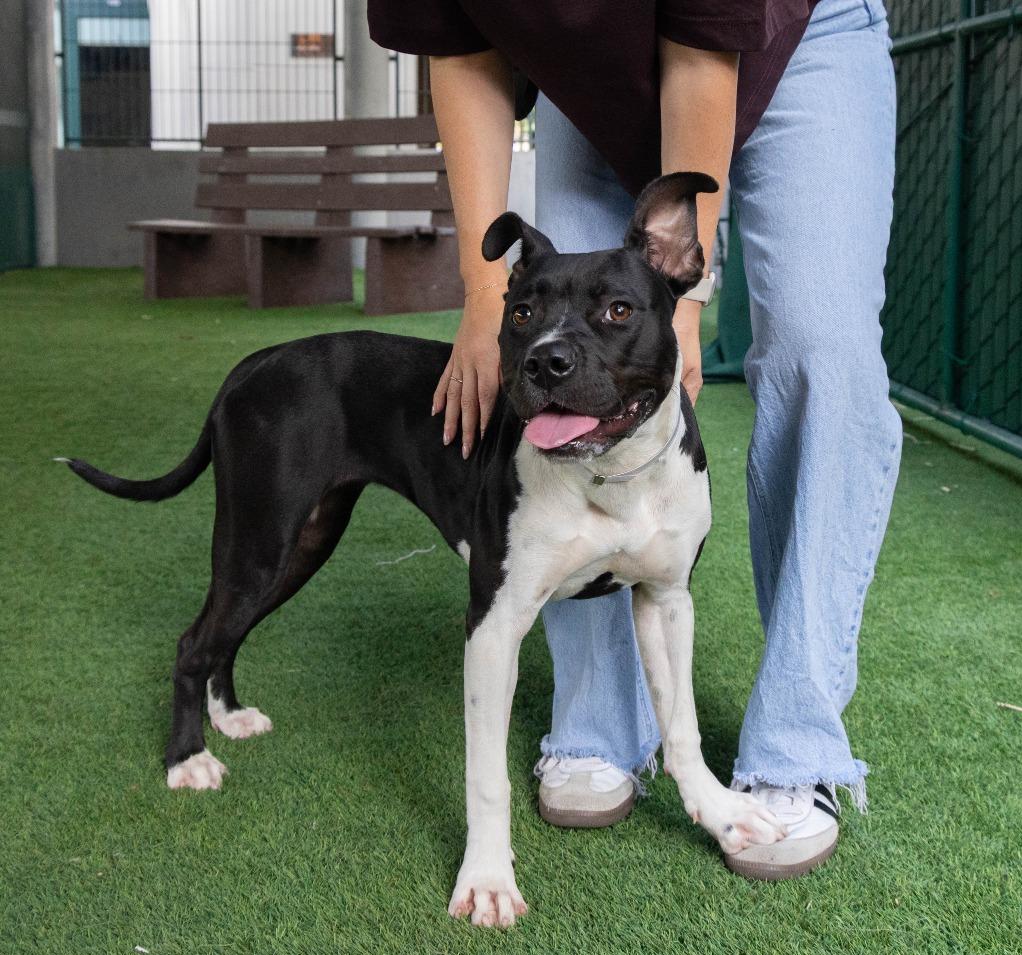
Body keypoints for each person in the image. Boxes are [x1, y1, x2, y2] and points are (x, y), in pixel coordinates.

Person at [368, 0, 901, 879]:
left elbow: (703, 47)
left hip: (797, 41)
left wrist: (682, 302)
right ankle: (597, 721)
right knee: (569, 361)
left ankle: (796, 744)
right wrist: (479, 294)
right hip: (586, 72)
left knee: (823, 348)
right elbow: (462, 50)